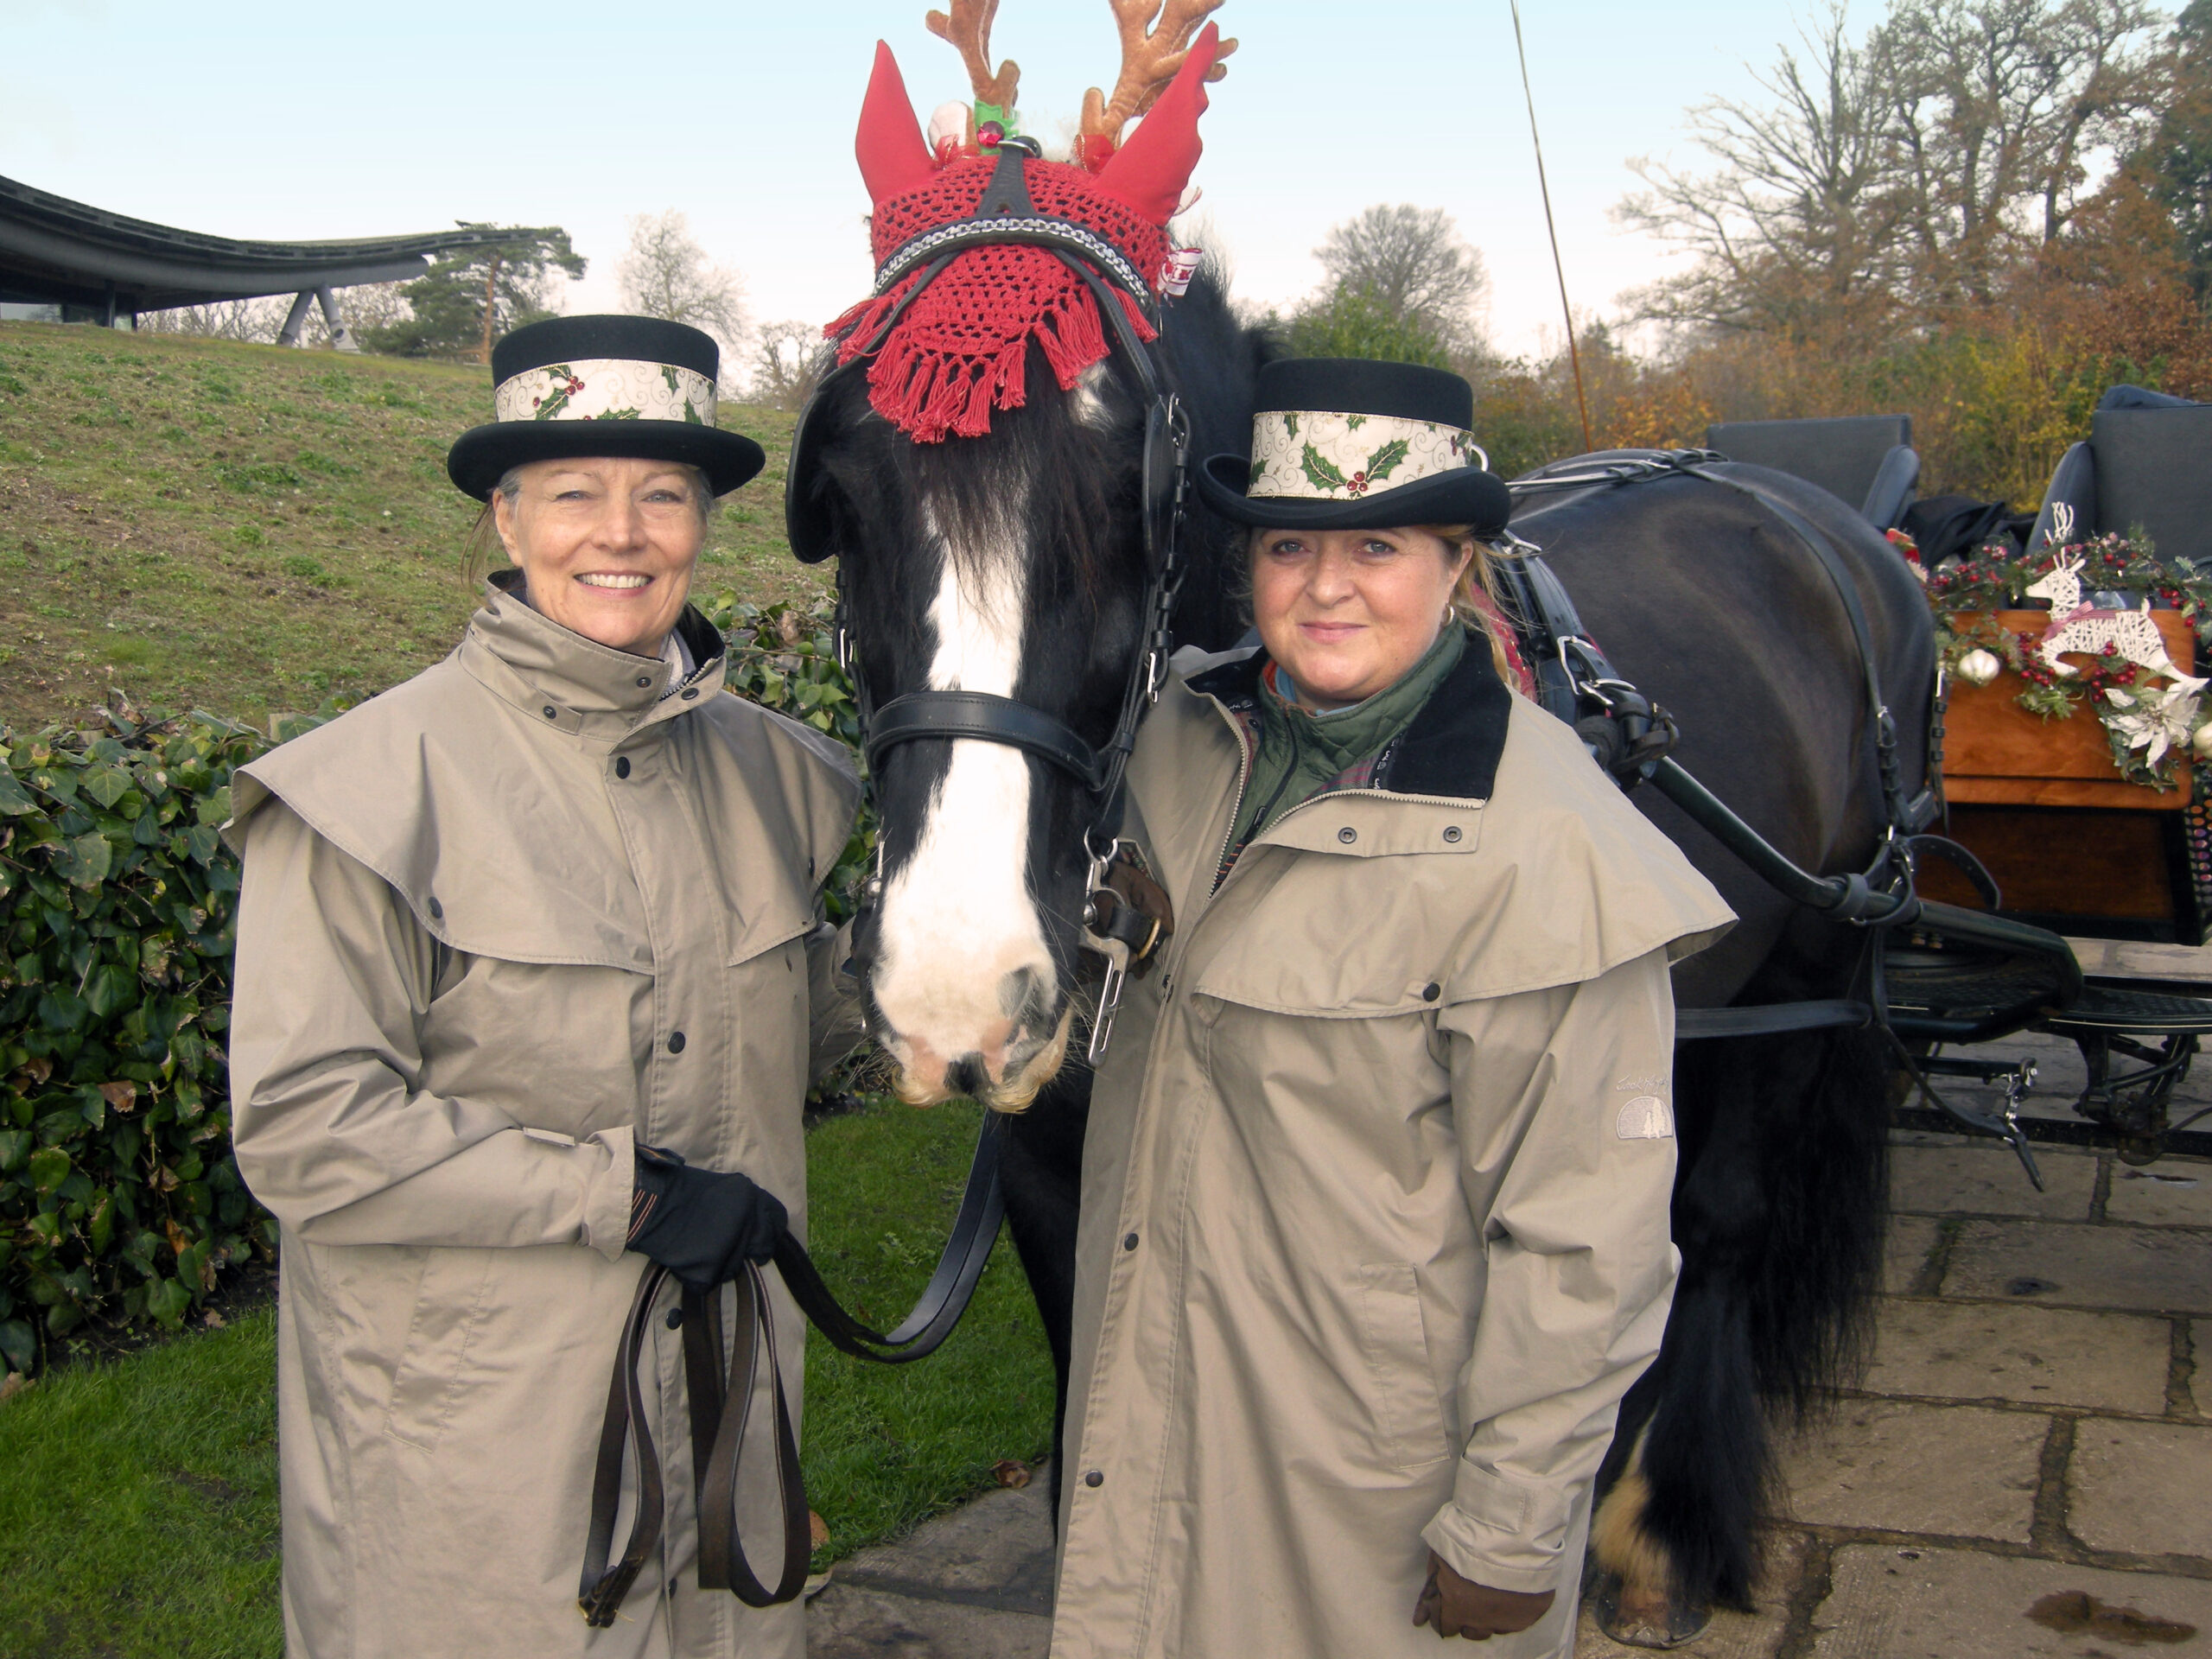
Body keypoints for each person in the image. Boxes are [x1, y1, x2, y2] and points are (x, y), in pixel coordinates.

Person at [1046, 359, 1737, 1658]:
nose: (1326, 585)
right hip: (1154, 1419)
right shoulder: (1181, 740)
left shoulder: (1543, 848)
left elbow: (1590, 1244)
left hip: (1370, 1494)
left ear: (1459, 562)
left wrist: (1512, 1526)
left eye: (1379, 543)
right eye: (1289, 544)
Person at [226, 315, 861, 1658]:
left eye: (663, 495)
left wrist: (962, 984)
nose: (619, 534)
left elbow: (813, 1020)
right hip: (482, 1460)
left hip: (731, 1421)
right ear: (506, 522)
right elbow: (304, 1128)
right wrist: (618, 1194)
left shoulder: (785, 777)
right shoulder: (365, 792)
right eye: (575, 493)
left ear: (704, 525)